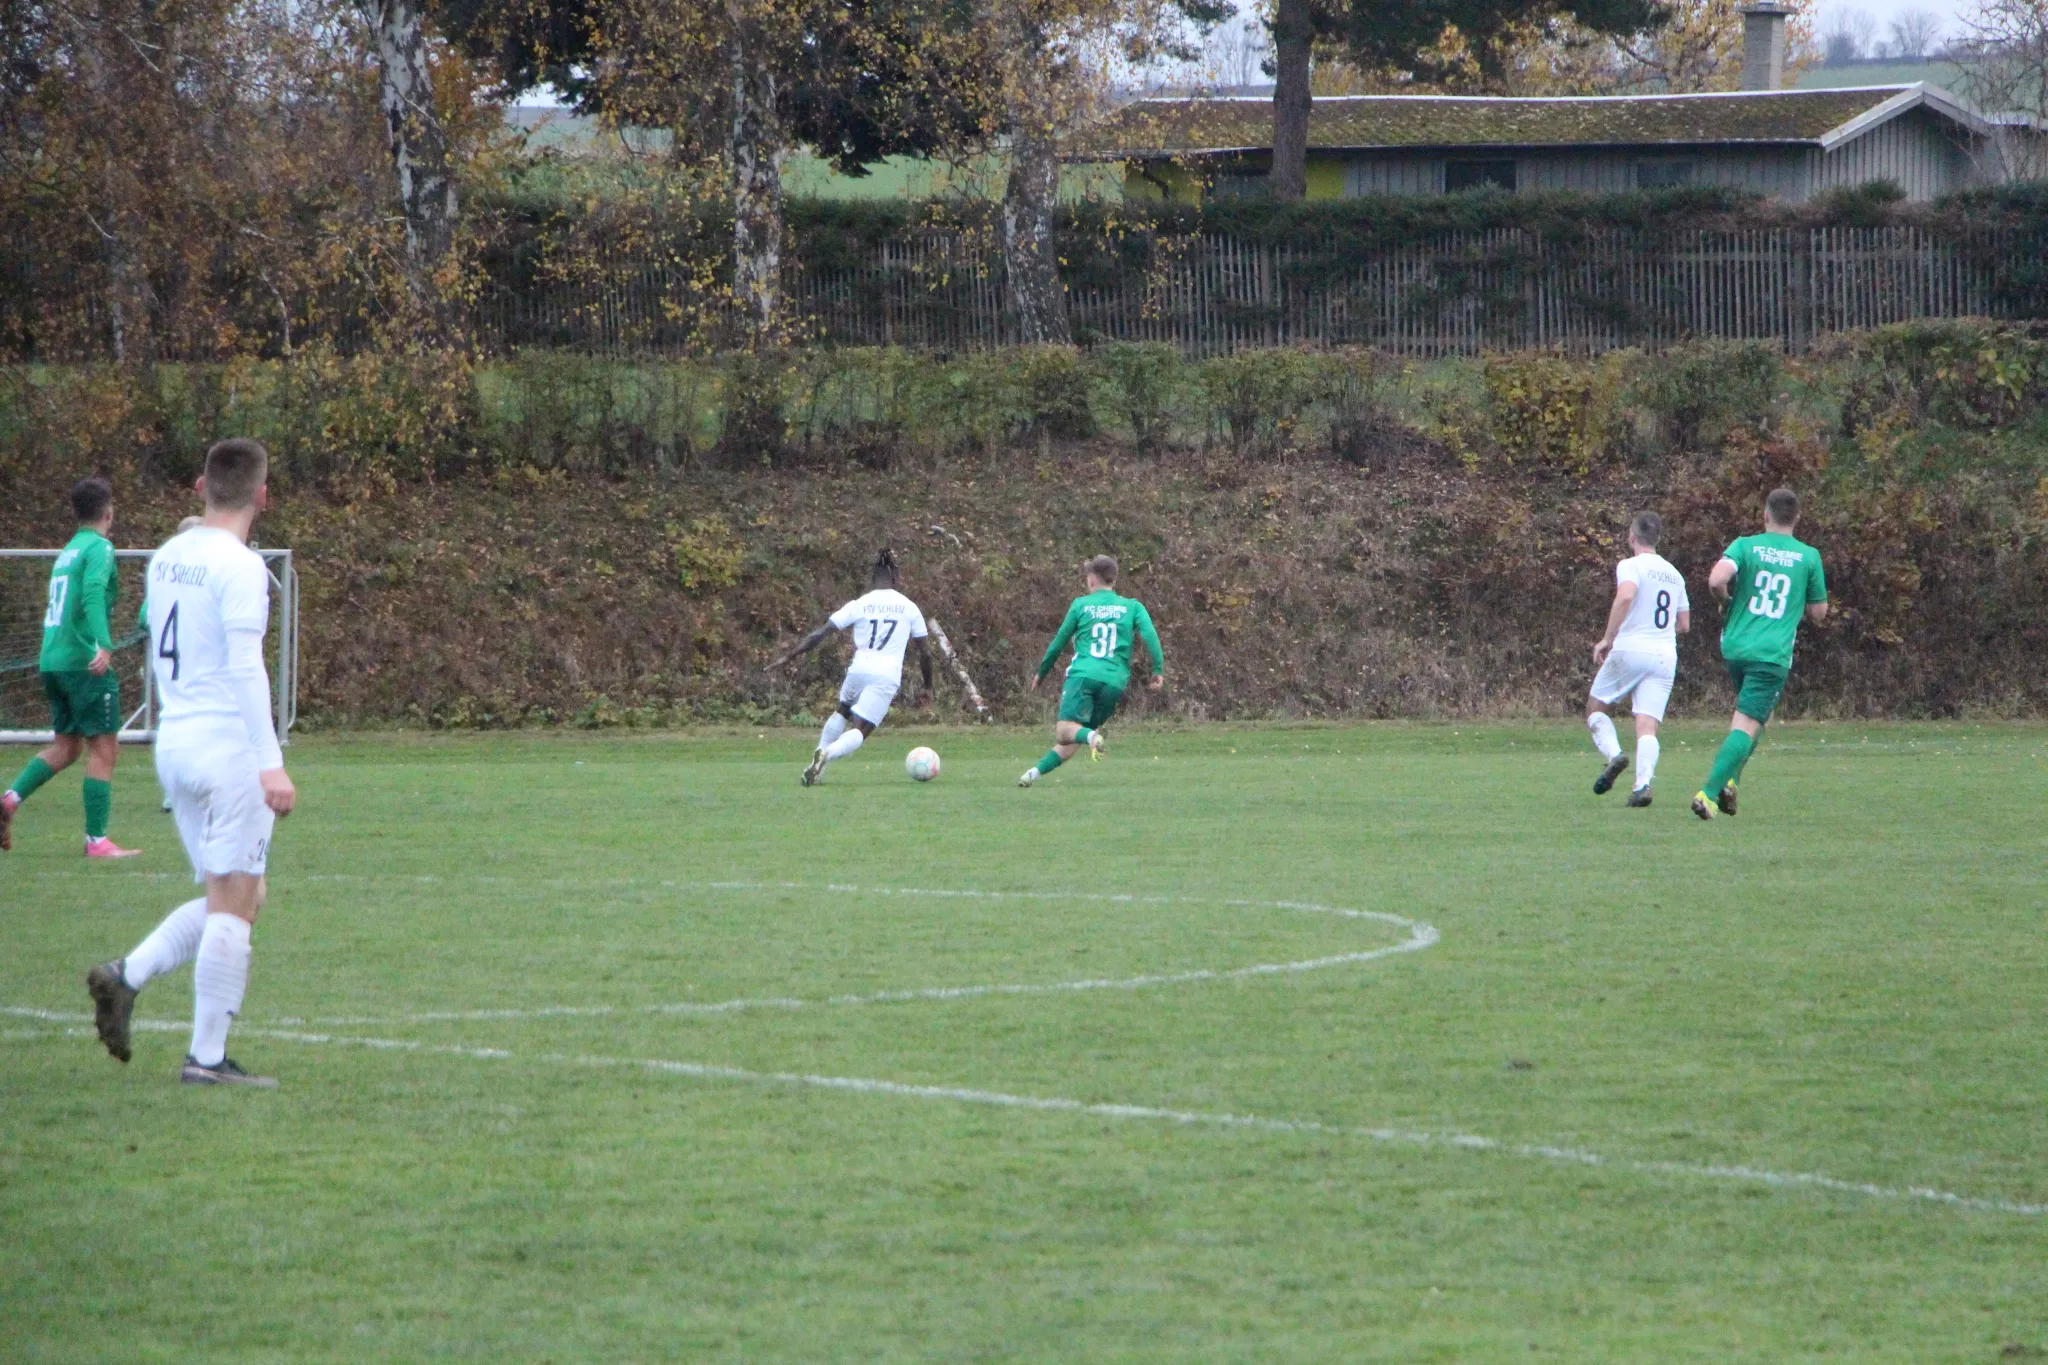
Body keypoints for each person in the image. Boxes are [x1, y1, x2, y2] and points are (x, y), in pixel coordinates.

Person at [85, 439, 296, 1086]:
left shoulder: (168, 556)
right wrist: (270, 761)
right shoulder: (241, 567)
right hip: (226, 748)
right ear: (262, 496)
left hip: (175, 742)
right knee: (234, 903)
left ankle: (127, 974)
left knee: (240, 894)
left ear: (201, 486)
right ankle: (206, 1058)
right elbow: (246, 666)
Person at [0, 477, 140, 857]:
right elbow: (93, 593)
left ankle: (9, 799)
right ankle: (96, 841)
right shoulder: (100, 547)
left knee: (67, 746)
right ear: (108, 512)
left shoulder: (68, 551)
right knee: (104, 749)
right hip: (83, 661)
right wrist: (105, 644)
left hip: (52, 658)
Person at [1692, 487, 1828, 821]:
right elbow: (1819, 612)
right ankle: (1708, 794)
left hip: (1736, 647)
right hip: (1771, 654)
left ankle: (1731, 784)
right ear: (1797, 518)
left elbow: (1716, 580)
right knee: (1746, 722)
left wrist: (1725, 600)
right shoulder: (1808, 556)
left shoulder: (1745, 545)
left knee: (1754, 720)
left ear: (1765, 515)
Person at [773, 549, 933, 786]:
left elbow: (821, 633)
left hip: (858, 670)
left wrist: (789, 655)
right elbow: (925, 653)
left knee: (843, 710)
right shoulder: (909, 608)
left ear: (873, 579)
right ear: (896, 578)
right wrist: (928, 686)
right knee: (861, 729)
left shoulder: (860, 604)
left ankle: (817, 765)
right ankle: (827, 753)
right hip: (885, 675)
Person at [1019, 555, 1163, 787]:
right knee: (1077, 735)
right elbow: (1150, 635)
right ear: (1113, 580)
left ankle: (1092, 737)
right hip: (1114, 682)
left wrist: (1042, 672)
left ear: (1092, 580)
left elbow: (1059, 642)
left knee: (1064, 731)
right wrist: (1157, 669)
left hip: (1083, 675)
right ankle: (1032, 774)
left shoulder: (1081, 605)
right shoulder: (1132, 607)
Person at [1585, 511, 1690, 808]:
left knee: (1596, 707)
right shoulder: (1674, 574)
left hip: (1631, 648)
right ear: (1658, 538)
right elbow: (1684, 624)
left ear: (1631, 537)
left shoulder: (1630, 565)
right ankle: (1642, 785)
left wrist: (1607, 638)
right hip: (1665, 655)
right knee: (1647, 725)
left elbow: (1625, 596)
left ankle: (1615, 755)